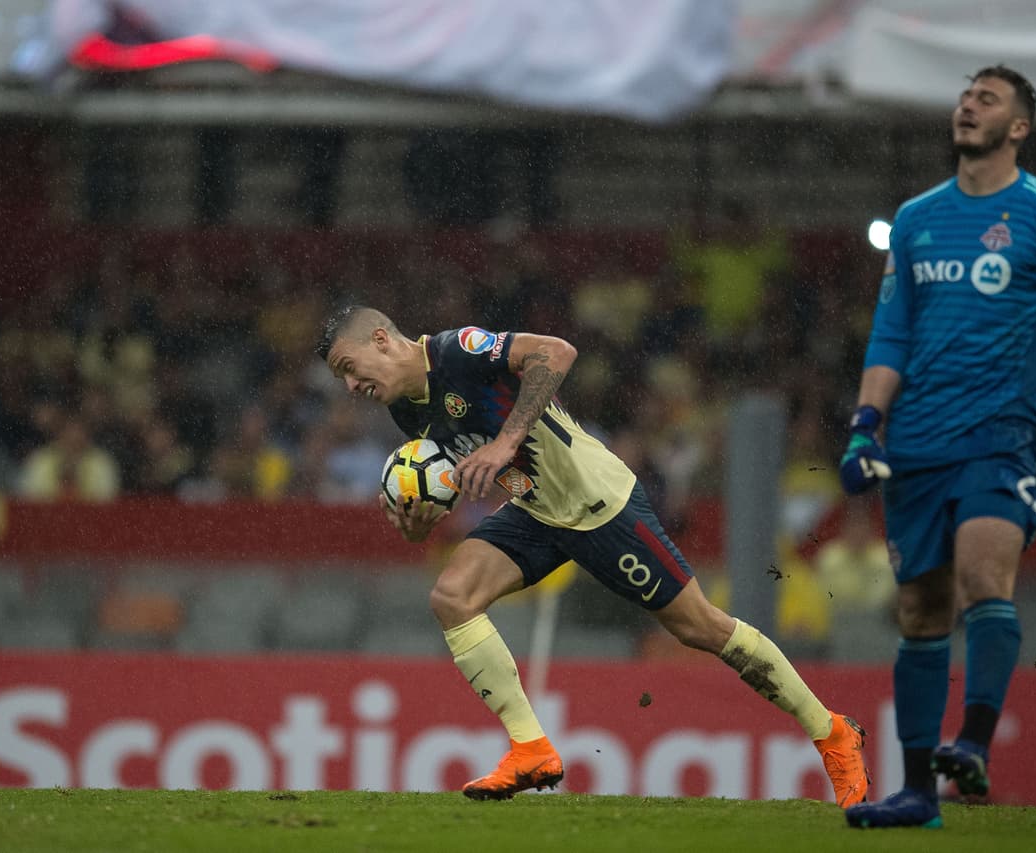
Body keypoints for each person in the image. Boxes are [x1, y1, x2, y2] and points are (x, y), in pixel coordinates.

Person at [317, 306, 871, 805]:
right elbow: (455, 486)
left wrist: (507, 441)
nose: (348, 384)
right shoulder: (408, 414)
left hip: (599, 505)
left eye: (349, 365)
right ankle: (530, 748)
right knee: (452, 596)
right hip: (536, 510)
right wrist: (419, 527)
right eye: (339, 376)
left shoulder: (457, 349)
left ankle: (832, 733)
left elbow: (555, 352)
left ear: (383, 339)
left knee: (701, 628)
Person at [838, 66, 1036, 829]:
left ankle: (976, 743)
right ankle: (917, 794)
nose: (968, 105)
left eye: (987, 100)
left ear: (1019, 127)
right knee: (920, 609)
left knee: (982, 574)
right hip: (916, 444)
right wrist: (866, 424)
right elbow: (892, 331)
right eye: (965, 96)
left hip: (1000, 439)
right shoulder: (917, 217)